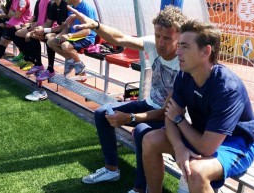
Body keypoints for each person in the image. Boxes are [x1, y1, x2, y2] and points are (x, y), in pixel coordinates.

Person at [69, 5, 188, 193]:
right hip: (150, 105)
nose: (160, 43)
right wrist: (96, 26)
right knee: (102, 113)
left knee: (142, 131)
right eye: (157, 36)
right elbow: (119, 38)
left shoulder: (184, 62)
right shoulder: (153, 43)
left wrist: (131, 118)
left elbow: (166, 113)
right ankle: (111, 169)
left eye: (167, 38)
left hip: (172, 119)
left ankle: (140, 188)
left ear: (179, 37)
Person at [142, 19, 254, 193]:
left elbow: (207, 147)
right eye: (179, 45)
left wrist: (179, 119)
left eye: (185, 47)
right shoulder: (184, 75)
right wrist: (179, 147)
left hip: (235, 145)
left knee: (195, 172)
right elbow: (169, 117)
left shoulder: (227, 88)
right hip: (200, 135)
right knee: (150, 140)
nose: (178, 51)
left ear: (206, 51)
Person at [36, 0, 97, 81]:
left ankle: (78, 65)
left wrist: (69, 35)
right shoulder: (71, 7)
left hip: (86, 37)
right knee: (51, 41)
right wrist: (60, 35)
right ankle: (74, 62)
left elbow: (87, 31)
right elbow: (67, 27)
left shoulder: (87, 8)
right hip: (73, 36)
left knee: (65, 46)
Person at [0, 0, 32, 69]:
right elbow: (10, 14)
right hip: (12, 24)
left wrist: (13, 13)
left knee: (6, 40)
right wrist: (12, 12)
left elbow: (17, 15)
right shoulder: (14, 1)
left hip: (21, 24)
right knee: (3, 41)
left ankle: (30, 60)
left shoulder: (22, 1)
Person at [22, 0, 68, 77]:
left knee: (48, 38)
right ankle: (38, 64)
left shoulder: (65, 5)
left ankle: (50, 69)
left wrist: (44, 30)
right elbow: (48, 23)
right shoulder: (54, 5)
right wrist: (38, 29)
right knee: (34, 34)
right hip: (58, 30)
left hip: (66, 32)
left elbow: (64, 27)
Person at [11, 0, 51, 71]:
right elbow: (35, 17)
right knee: (16, 33)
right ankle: (27, 58)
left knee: (31, 35)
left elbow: (49, 22)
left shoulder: (50, 2)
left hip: (47, 28)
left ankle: (36, 62)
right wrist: (29, 24)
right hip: (38, 25)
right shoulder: (39, 1)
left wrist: (33, 28)